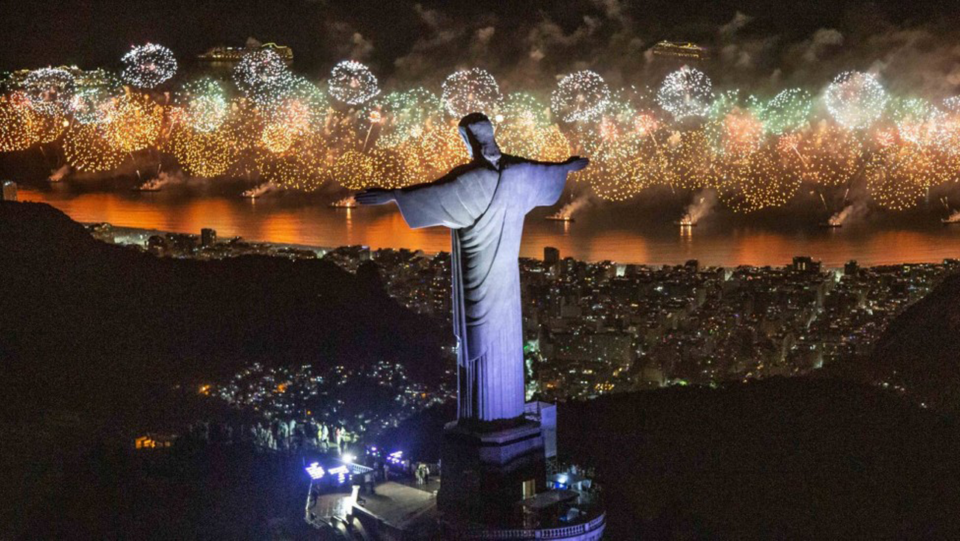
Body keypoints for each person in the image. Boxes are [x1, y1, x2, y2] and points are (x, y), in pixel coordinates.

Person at [357, 113, 588, 423]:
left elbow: (433, 195)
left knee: (479, 341)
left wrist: (393, 196)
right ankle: (508, 413)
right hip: (507, 279)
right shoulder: (518, 171)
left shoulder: (471, 179)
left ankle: (483, 418)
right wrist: (567, 168)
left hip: (477, 272)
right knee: (504, 337)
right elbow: (545, 171)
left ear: (468, 140)